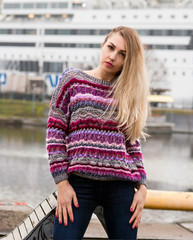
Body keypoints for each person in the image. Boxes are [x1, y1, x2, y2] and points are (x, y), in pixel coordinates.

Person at [46, 26, 149, 240]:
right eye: (111, 47)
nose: (113, 57)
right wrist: (62, 183)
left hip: (121, 187)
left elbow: (132, 144)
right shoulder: (72, 80)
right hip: (79, 185)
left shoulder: (127, 91)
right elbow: (55, 132)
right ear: (103, 44)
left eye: (123, 55)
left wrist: (143, 186)